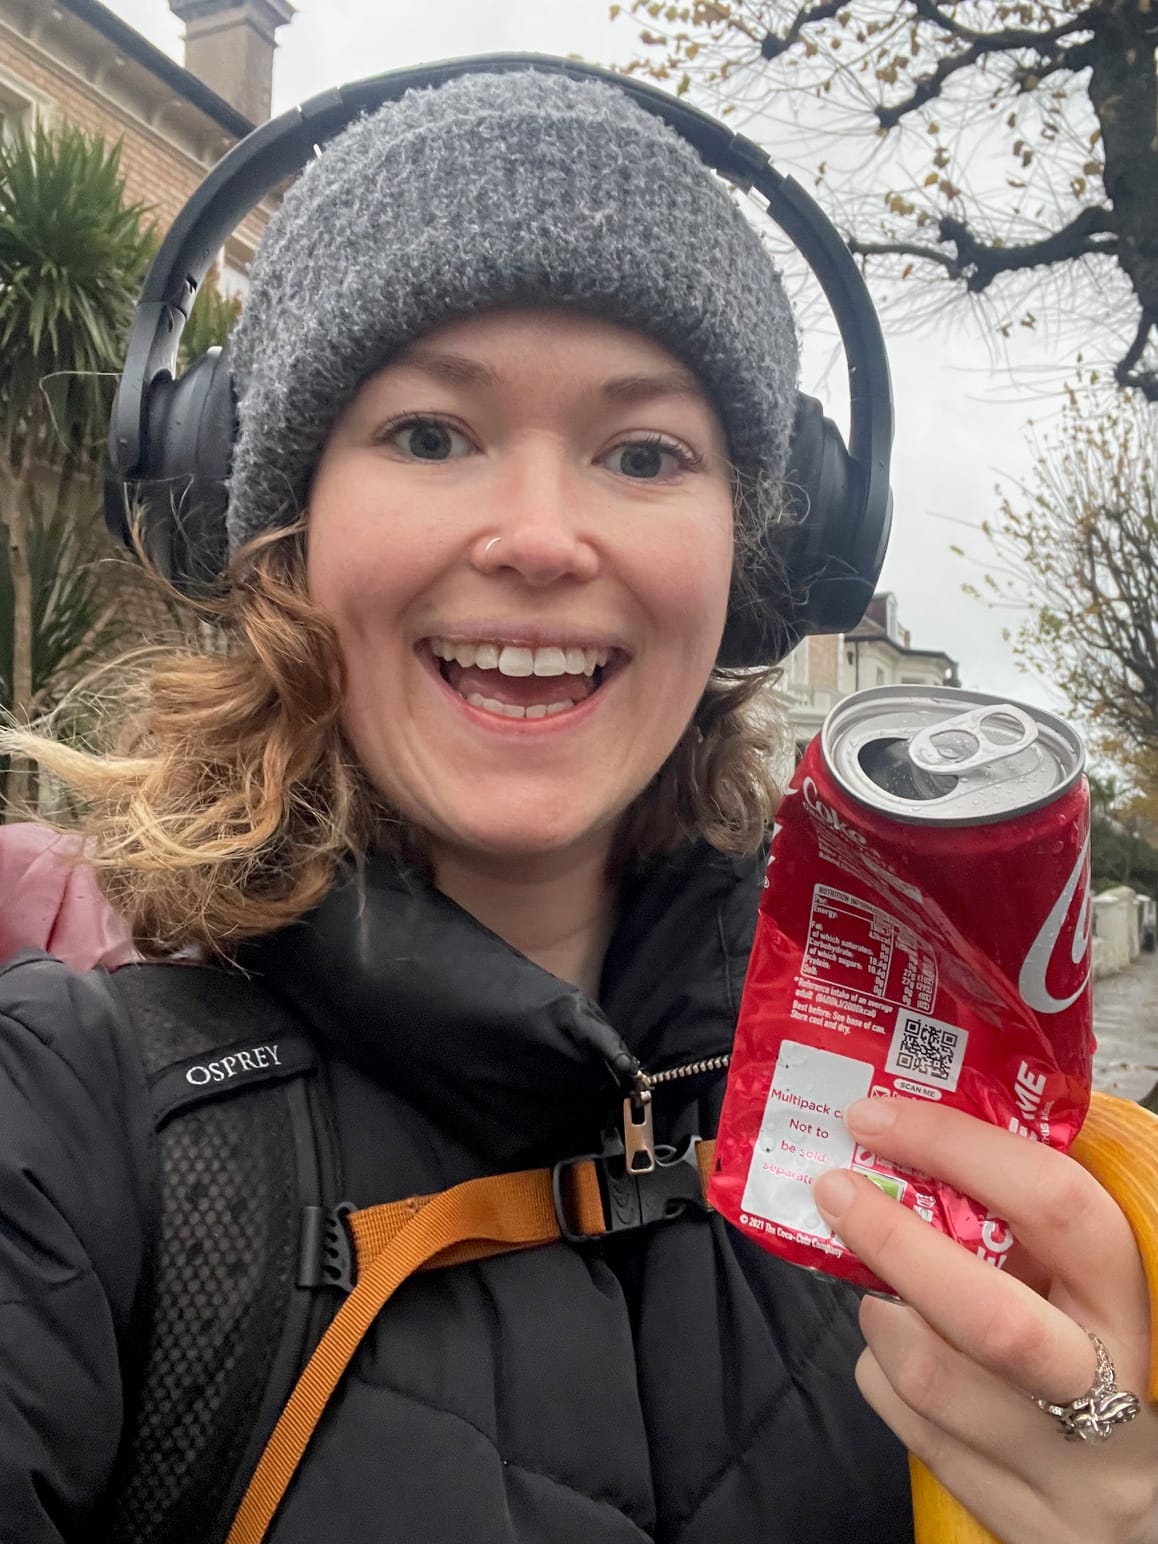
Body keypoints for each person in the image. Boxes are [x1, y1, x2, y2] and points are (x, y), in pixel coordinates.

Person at [0, 63, 1153, 1544]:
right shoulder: (58, 1126)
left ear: (759, 557)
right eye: (428, 433)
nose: (541, 538)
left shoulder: (920, 1132)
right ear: (270, 520)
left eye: (642, 452)